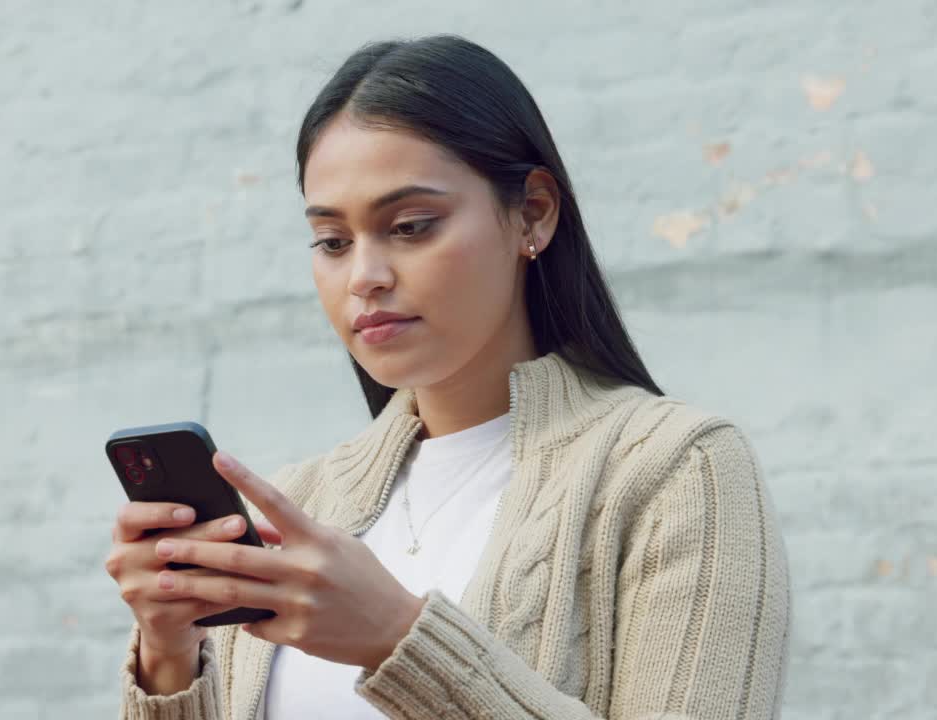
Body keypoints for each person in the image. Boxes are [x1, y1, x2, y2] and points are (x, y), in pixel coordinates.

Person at [105, 33, 791, 720]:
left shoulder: (677, 470)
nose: (364, 277)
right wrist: (169, 658)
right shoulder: (295, 505)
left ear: (534, 214)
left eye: (410, 226)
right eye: (333, 242)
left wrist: (398, 639)